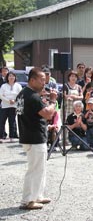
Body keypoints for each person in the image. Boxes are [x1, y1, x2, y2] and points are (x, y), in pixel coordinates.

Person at [16, 67, 57, 210]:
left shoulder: (22, 94)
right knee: (34, 169)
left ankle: (37, 195)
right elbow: (47, 114)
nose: (44, 83)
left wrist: (42, 97)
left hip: (28, 134)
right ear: (32, 80)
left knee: (40, 168)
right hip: (34, 136)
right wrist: (52, 101)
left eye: (45, 80)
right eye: (41, 80)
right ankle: (27, 200)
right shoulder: (32, 97)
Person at [0, 71, 22, 142]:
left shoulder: (18, 86)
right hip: (4, 105)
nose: (11, 77)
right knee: (2, 121)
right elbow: (1, 95)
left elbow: (21, 95)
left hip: (14, 106)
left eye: (13, 76)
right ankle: (2, 136)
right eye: (10, 76)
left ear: (15, 77)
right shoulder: (4, 86)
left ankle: (12, 136)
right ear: (7, 77)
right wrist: (8, 101)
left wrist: (14, 100)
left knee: (12, 121)